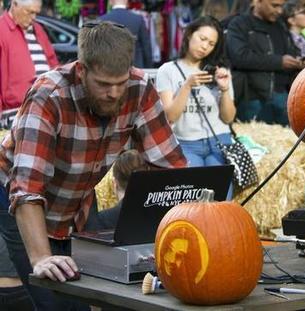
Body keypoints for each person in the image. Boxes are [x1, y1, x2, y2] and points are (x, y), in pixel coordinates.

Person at [0, 21, 186, 311]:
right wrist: (41, 258)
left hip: (80, 193)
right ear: (82, 70)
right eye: (103, 84)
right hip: (18, 198)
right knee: (53, 297)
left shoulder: (138, 88)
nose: (114, 93)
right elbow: (27, 188)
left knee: (89, 293)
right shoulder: (48, 95)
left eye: (120, 83)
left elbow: (171, 170)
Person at [155, 16, 235, 198]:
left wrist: (224, 90)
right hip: (187, 143)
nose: (205, 46)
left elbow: (229, 118)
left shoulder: (219, 71)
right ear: (190, 34)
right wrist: (187, 86)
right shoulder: (168, 70)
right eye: (202, 39)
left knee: (223, 199)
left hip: (219, 141)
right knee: (193, 199)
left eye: (212, 43)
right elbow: (170, 117)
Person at [226, 0, 303, 126]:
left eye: (281, 6)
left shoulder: (280, 24)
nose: (279, 11)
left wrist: (297, 61)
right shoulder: (240, 24)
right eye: (274, 5)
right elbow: (239, 57)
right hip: (252, 97)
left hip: (283, 95)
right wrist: (279, 62)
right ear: (257, 2)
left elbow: (289, 50)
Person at [0, 0, 58, 114]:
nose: (33, 17)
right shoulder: (2, 30)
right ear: (14, 4)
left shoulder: (38, 29)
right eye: (29, 12)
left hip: (46, 109)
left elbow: (53, 63)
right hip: (16, 113)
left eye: (36, 13)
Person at [99, 0, 152, 68]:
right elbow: (146, 46)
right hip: (134, 69)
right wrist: (149, 67)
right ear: (127, 1)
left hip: (110, 69)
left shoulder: (101, 20)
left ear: (110, 2)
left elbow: (100, 48)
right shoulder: (138, 19)